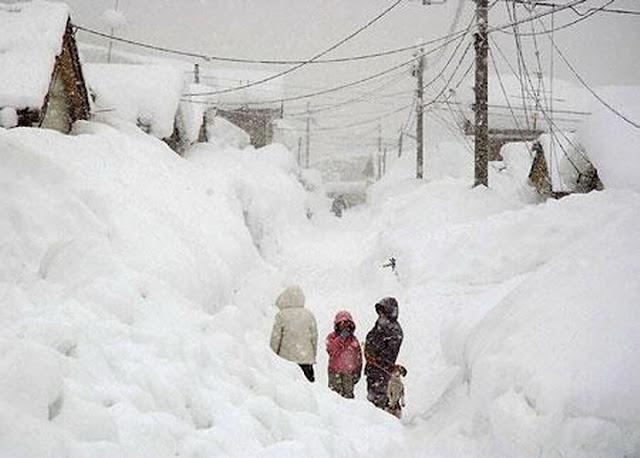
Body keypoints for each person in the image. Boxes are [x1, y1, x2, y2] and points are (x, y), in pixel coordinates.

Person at [270, 285, 318, 382]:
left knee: (289, 388)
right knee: (309, 390)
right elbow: (314, 338)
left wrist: (273, 357)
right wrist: (312, 355)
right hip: (306, 360)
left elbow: (275, 340)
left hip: (286, 361)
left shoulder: (281, 315)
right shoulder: (308, 315)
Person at [364, 297, 404, 410]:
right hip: (373, 370)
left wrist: (376, 359)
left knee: (380, 402)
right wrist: (368, 351)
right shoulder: (380, 324)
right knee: (372, 400)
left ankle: (382, 424)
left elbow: (390, 353)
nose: (381, 314)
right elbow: (371, 339)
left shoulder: (394, 330)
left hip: (382, 372)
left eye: (383, 311)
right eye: (380, 311)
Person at [326, 311, 363, 398]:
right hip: (335, 372)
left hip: (349, 374)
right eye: (341, 323)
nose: (344, 325)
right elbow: (331, 350)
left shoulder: (353, 340)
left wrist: (358, 371)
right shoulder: (332, 337)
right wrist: (341, 338)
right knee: (334, 397)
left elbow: (358, 357)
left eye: (346, 322)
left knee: (348, 397)